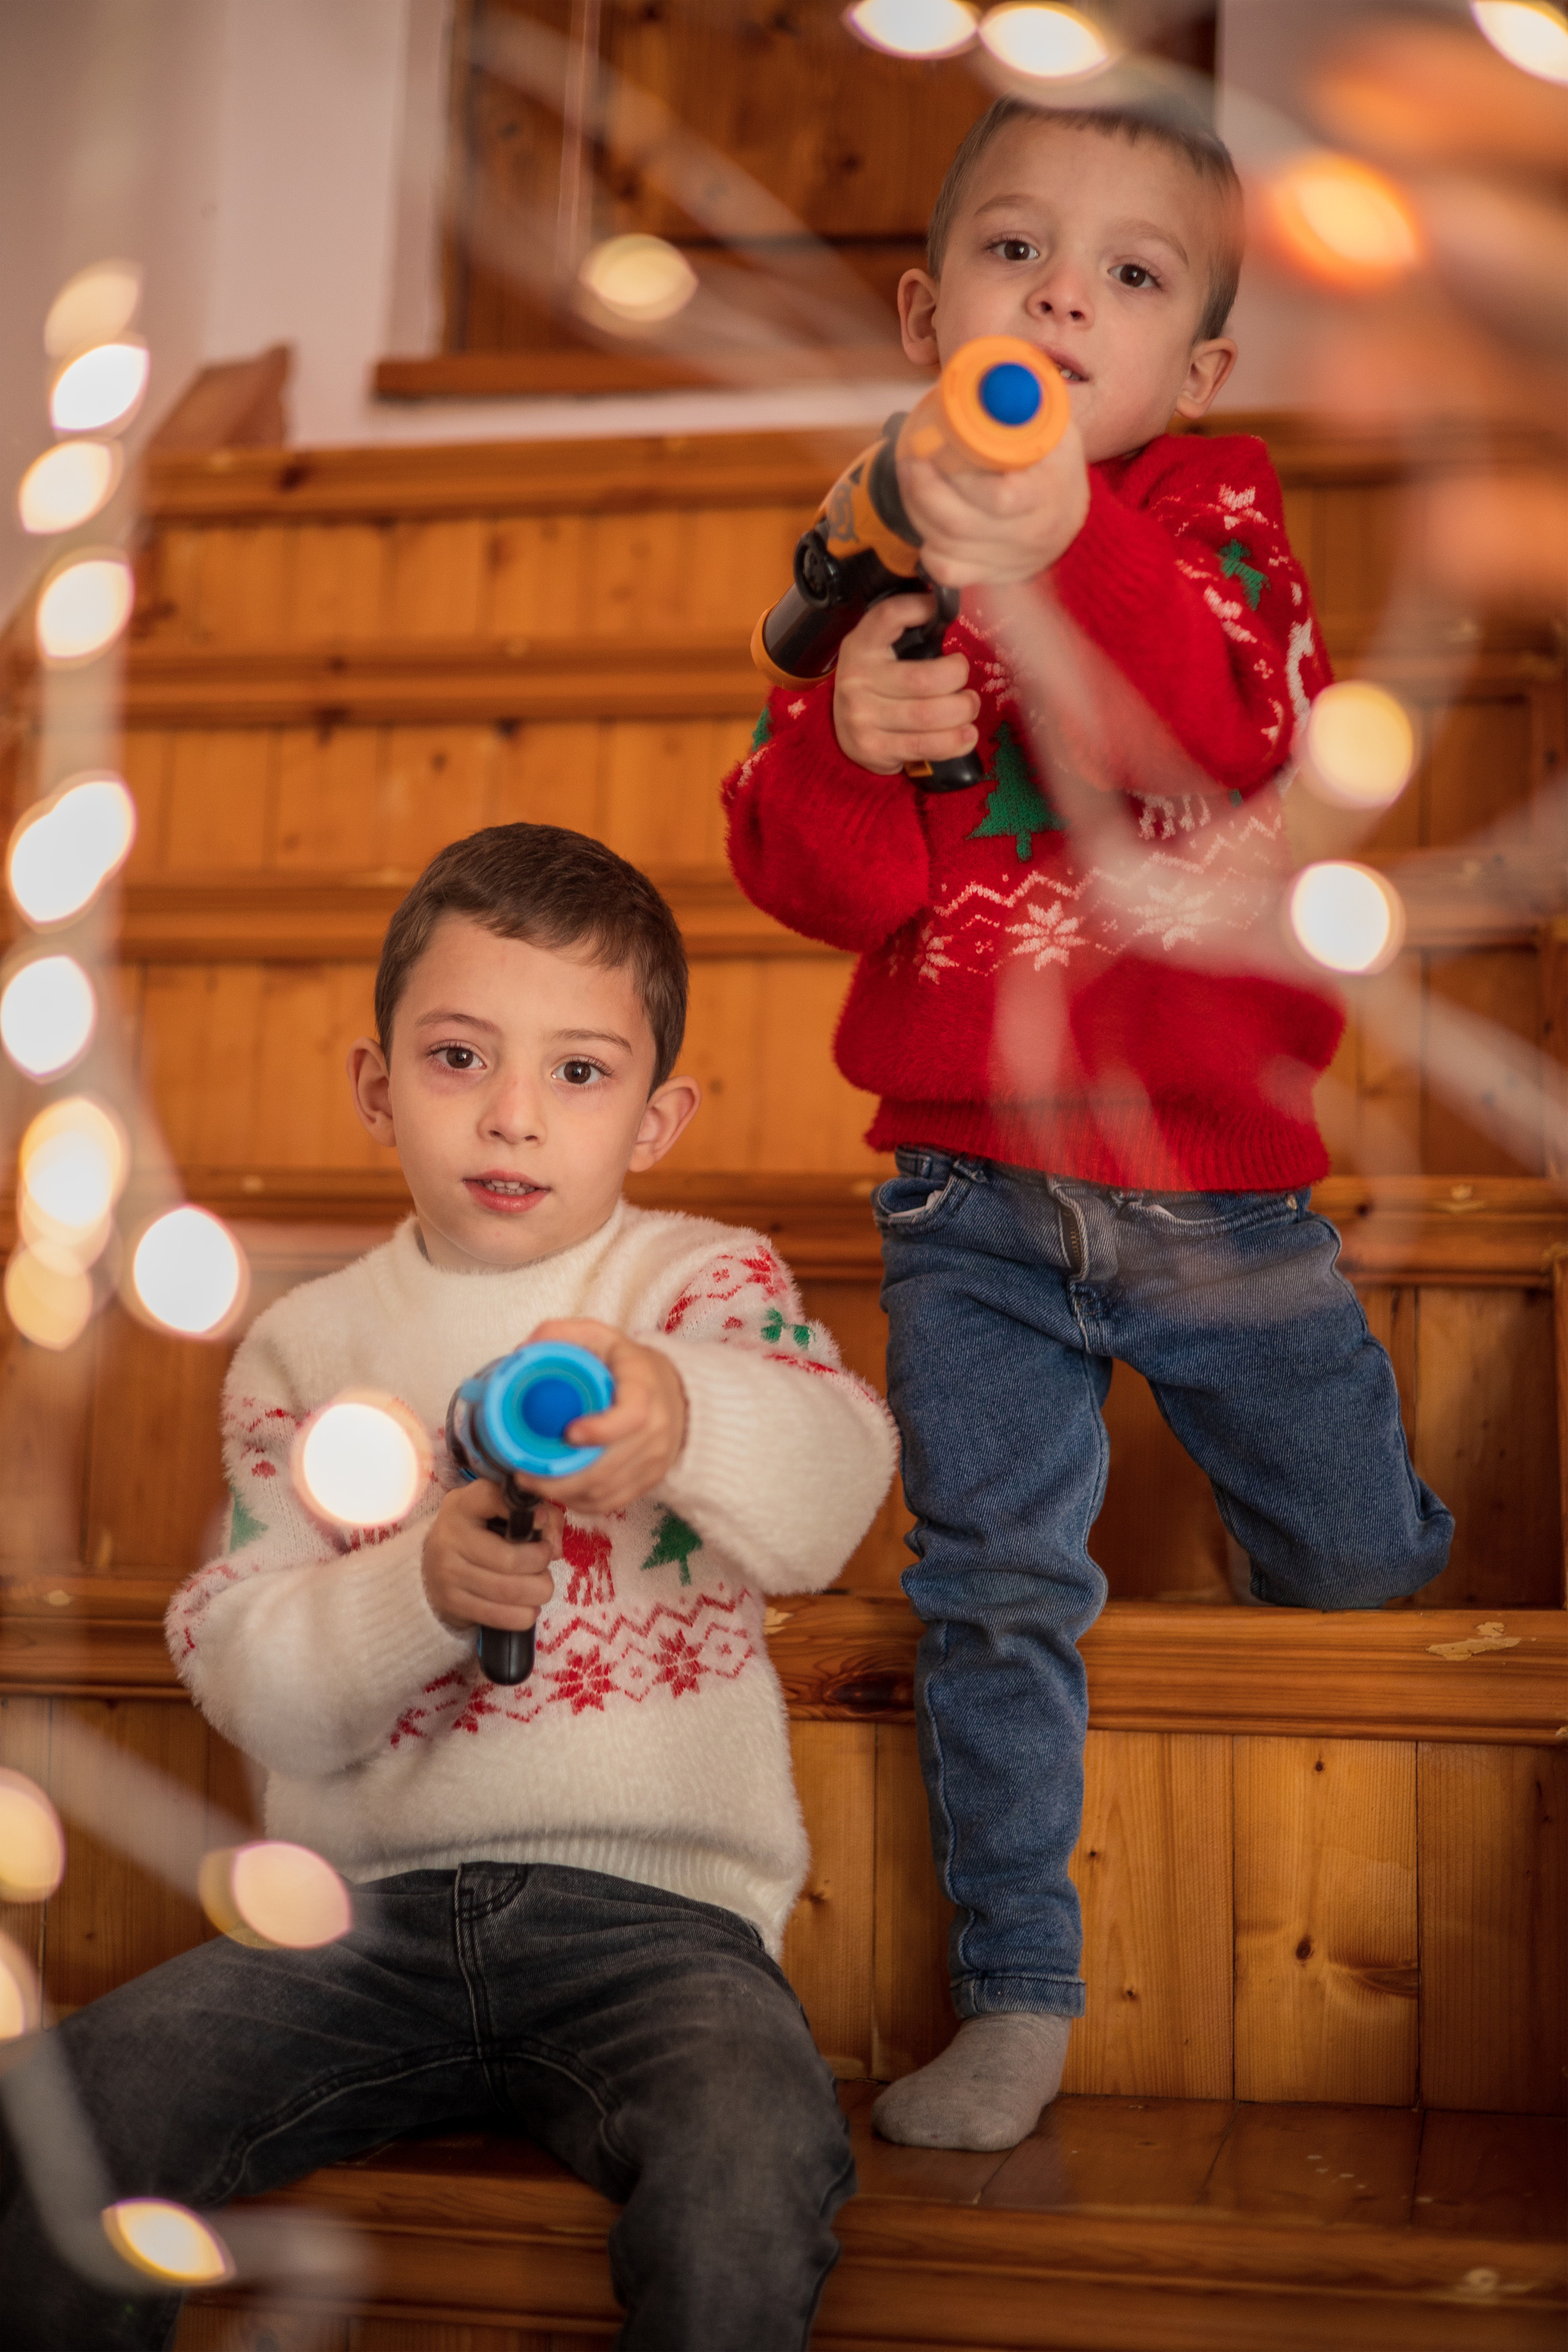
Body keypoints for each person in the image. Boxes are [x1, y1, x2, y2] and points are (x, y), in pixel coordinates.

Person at [726, 98, 1453, 2155]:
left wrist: (1064, 539)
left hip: (1225, 1191)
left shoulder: (1218, 519)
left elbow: (1224, 730)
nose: (1064, 290)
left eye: (1133, 277)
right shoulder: (870, 553)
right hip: (967, 1195)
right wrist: (855, 746)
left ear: (1195, 370)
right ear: (924, 308)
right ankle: (1020, 1984)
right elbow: (826, 887)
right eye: (1015, 252)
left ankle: (1394, 1732)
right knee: (994, 1589)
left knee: (1343, 1558)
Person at [0, 824, 897, 2350]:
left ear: (659, 1115)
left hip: (657, 1929)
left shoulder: (696, 1289)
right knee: (62, 2124)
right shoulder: (308, 1345)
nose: (513, 1116)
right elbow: (246, 1668)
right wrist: (417, 1591)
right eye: (460, 1056)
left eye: (578, 1073)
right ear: (377, 1086)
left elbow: (829, 1495)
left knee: (753, 2159)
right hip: (352, 1925)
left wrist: (680, 1411)